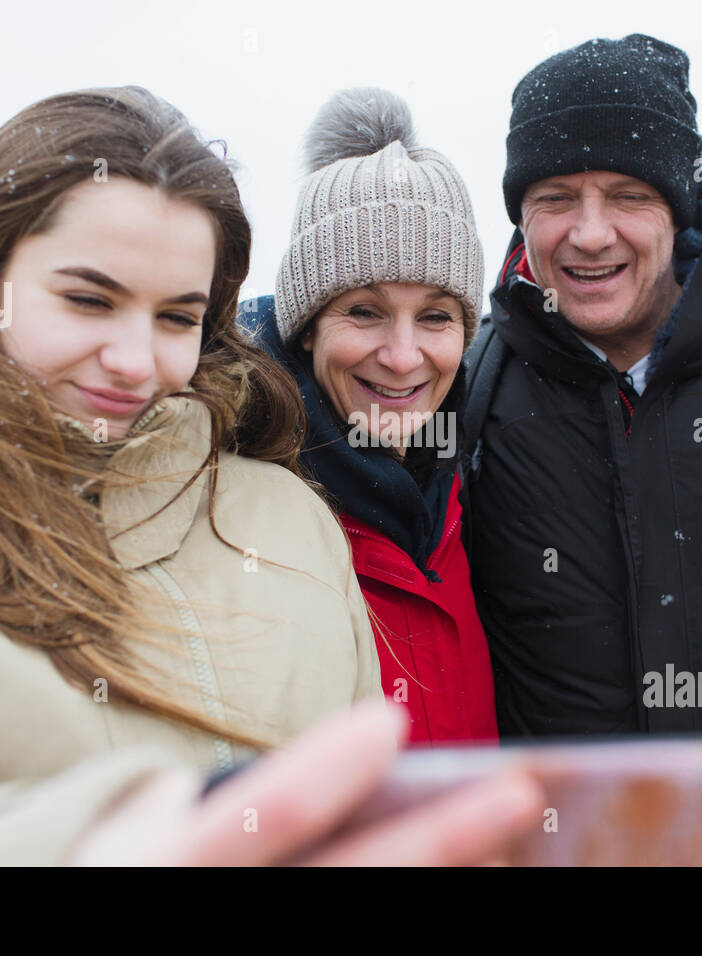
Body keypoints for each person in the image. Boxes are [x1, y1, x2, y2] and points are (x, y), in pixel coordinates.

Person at [0, 85, 536, 865]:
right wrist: (86, 848)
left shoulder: (291, 518)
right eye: (89, 300)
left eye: (176, 318)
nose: (134, 363)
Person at [462, 34, 702, 843]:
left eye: (627, 195)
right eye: (554, 197)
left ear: (679, 207)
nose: (590, 233)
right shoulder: (471, 385)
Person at [246, 88, 497, 745]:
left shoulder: (467, 503)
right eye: (364, 310)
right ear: (305, 329)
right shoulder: (239, 510)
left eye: (437, 316)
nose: (403, 355)